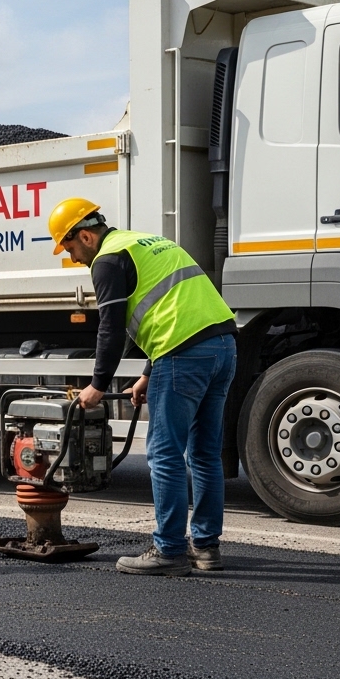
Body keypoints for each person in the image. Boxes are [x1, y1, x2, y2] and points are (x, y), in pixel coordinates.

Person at [50, 197, 237, 576]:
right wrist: (149, 373)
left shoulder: (107, 260)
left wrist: (97, 386)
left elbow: (111, 328)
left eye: (70, 248)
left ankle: (168, 550)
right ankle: (206, 548)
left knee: (164, 454)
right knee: (203, 454)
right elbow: (177, 306)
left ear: (85, 235)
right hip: (223, 346)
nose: (72, 258)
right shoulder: (147, 242)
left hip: (183, 354)